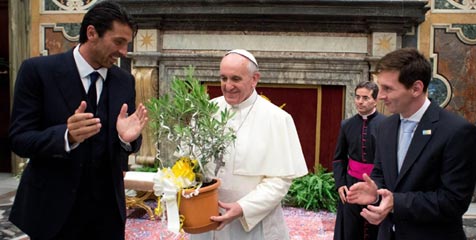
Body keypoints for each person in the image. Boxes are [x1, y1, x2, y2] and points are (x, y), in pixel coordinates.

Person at [8, 1, 148, 239]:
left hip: (107, 215)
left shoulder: (125, 81)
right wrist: (66, 136)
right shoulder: (37, 71)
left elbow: (128, 141)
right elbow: (19, 139)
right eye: (118, 42)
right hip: (52, 211)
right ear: (91, 33)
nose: (124, 52)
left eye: (127, 43)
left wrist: (126, 140)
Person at [346, 48, 476, 240]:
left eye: (388, 89)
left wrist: (395, 203)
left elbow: (453, 201)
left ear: (416, 88)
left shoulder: (457, 131)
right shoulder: (385, 127)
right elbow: (381, 174)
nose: (380, 96)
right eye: (380, 87)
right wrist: (375, 193)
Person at [191, 49, 308, 240]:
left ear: (254, 79)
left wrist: (243, 208)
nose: (228, 86)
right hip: (207, 222)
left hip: (253, 225)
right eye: (223, 78)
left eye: (235, 79)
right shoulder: (206, 112)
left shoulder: (277, 119)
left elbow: (280, 180)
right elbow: (191, 166)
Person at [332, 81, 385, 240]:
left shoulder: (387, 124)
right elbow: (339, 158)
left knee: (376, 229)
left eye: (365, 98)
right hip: (351, 185)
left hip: (377, 185)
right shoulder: (347, 124)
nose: (360, 101)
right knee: (350, 230)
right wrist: (340, 183)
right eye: (357, 97)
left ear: (375, 100)